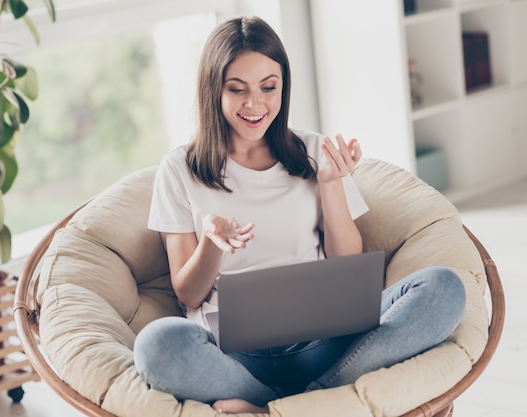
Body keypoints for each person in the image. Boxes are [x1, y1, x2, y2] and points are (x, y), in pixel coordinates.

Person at [133, 16, 465, 415]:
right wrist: (211, 244)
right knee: (156, 345)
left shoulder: (313, 150)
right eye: (237, 90)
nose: (254, 104)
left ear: (283, 86)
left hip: (327, 341)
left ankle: (285, 406)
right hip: (237, 357)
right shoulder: (180, 169)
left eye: (268, 87)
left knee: (445, 287)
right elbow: (187, 293)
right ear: (212, 90)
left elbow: (347, 263)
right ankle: (323, 404)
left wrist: (329, 184)